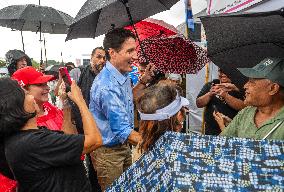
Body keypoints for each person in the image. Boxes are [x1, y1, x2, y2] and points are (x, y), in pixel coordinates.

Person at [0, 77, 102, 191]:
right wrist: (81, 101)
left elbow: (66, 139)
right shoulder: (33, 143)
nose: (31, 96)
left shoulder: (23, 138)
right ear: (16, 106)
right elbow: (94, 140)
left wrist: (66, 105)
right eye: (25, 94)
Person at [89, 28, 154, 191]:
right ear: (112, 53)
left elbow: (128, 99)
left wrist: (144, 81)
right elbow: (122, 130)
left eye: (136, 50)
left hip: (124, 146)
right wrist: (155, 143)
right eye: (130, 51)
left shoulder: (122, 74)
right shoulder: (107, 86)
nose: (136, 56)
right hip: (108, 153)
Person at [214, 57, 284, 140]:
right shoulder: (246, 113)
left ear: (273, 89)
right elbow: (222, 144)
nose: (245, 86)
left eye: (252, 82)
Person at [71, 47, 106, 192]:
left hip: (102, 129)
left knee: (98, 166)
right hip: (85, 126)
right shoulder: (82, 74)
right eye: (98, 57)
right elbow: (77, 99)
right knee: (91, 163)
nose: (102, 61)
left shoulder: (106, 76)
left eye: (104, 58)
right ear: (91, 57)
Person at [136, 83, 189, 154]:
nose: (186, 110)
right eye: (183, 108)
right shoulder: (187, 152)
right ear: (178, 116)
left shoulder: (144, 149)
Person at [12, 67, 65, 131]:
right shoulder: (18, 122)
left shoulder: (50, 108)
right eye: (40, 84)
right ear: (23, 90)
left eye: (46, 83)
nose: (48, 88)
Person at [196, 69, 245, 135]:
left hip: (231, 130)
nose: (223, 74)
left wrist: (225, 95)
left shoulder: (237, 87)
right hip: (210, 131)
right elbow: (198, 104)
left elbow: (243, 107)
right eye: (221, 71)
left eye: (226, 72)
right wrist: (210, 94)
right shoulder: (210, 85)